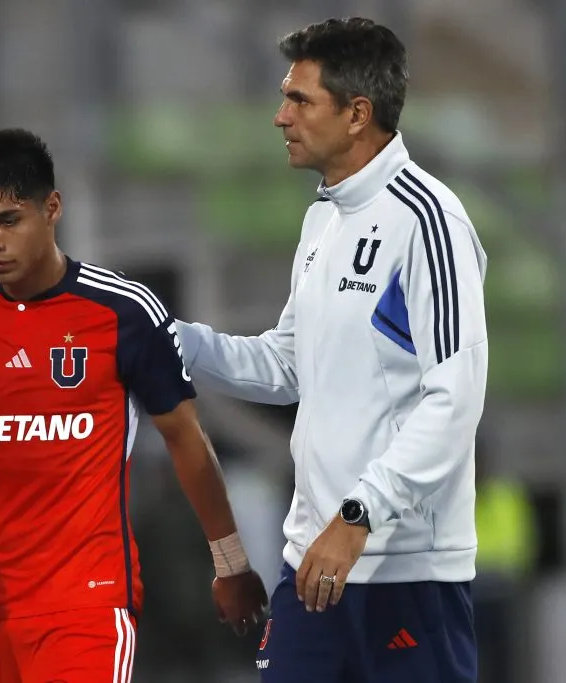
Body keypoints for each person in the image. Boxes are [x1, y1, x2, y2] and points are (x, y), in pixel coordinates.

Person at [0, 128, 268, 682]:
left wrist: (229, 562)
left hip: (89, 601)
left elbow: (186, 439)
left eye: (9, 220)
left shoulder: (124, 312)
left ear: (51, 209)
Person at [175, 18, 488, 683]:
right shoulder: (324, 216)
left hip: (403, 570)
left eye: (299, 100)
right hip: (310, 562)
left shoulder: (429, 223)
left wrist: (360, 514)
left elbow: (454, 398)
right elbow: (288, 365)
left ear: (357, 115)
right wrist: (177, 343)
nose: (279, 116)